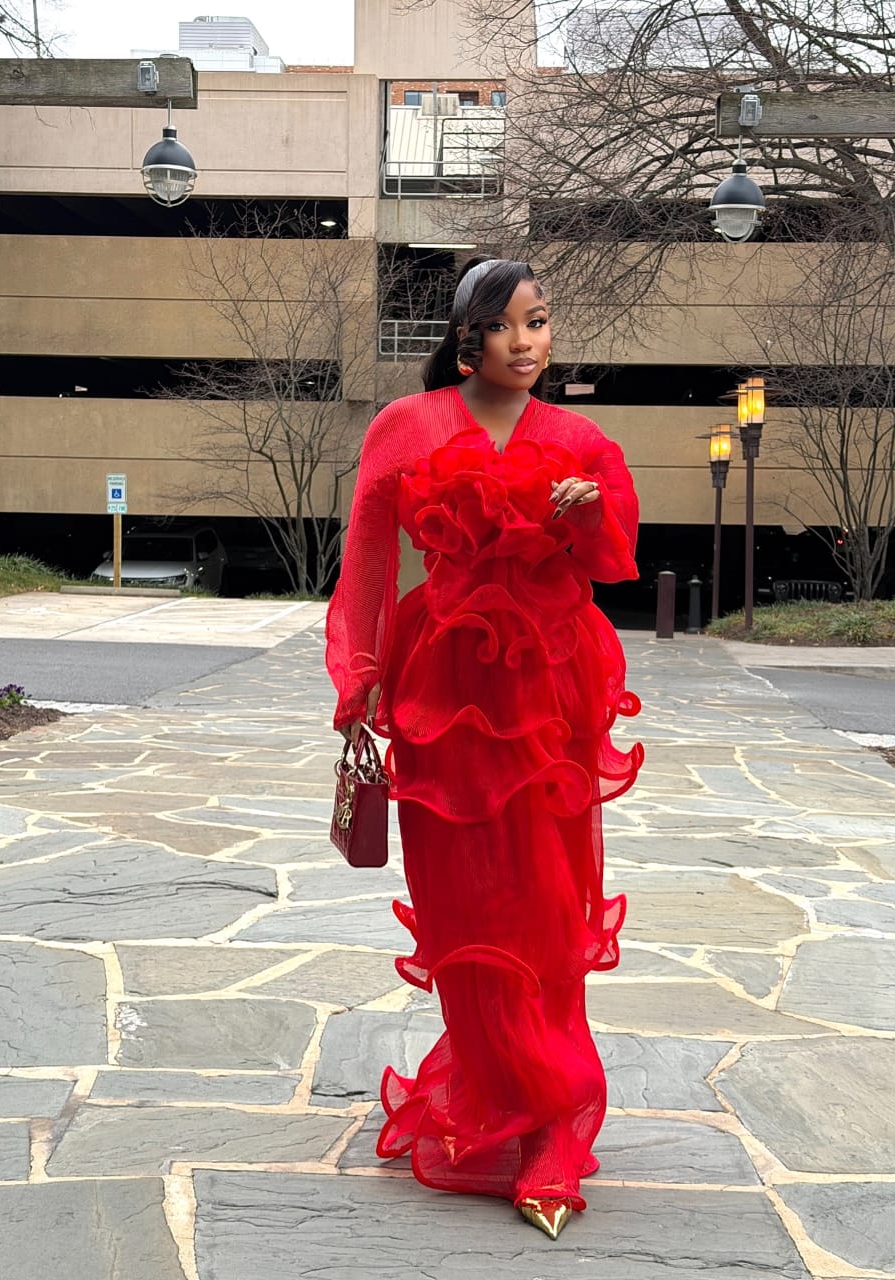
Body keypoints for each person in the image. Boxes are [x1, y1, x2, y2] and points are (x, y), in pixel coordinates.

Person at [325, 257, 643, 1240]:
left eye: (539, 321)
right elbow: (369, 563)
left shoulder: (582, 440)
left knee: (549, 909)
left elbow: (613, 559)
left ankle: (554, 1124)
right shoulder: (407, 427)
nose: (526, 341)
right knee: (463, 907)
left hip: (548, 696)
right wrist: (358, 683)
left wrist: (585, 508)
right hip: (443, 695)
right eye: (506, 325)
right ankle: (499, 1090)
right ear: (467, 338)